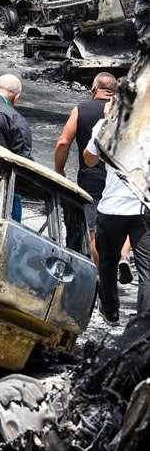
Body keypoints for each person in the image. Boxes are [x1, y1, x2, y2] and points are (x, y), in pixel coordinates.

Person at [54, 72, 132, 280]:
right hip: (121, 178)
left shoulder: (81, 110)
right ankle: (124, 257)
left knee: (93, 228)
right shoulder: (127, 112)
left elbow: (63, 142)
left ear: (94, 88)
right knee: (125, 218)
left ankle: (100, 274)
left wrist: (59, 170)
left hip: (91, 177)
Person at [83, 102, 150, 326]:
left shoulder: (106, 126)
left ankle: (111, 312)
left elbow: (89, 160)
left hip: (113, 208)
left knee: (108, 262)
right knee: (146, 272)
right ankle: (143, 326)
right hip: (143, 209)